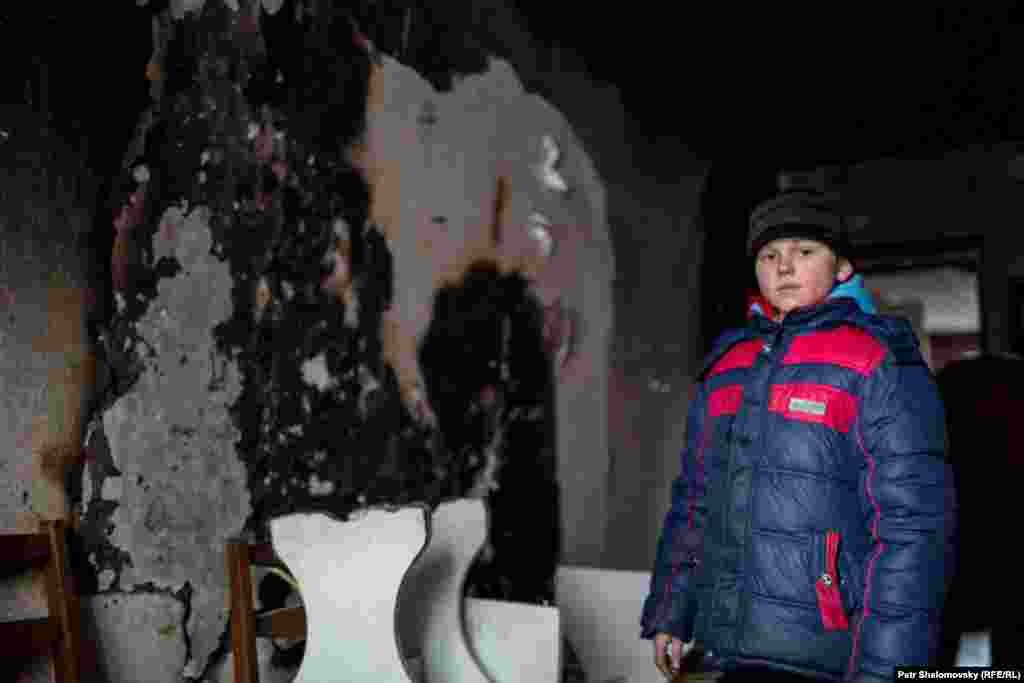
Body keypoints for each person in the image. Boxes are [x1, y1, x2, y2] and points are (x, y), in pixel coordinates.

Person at [640, 189, 956, 681]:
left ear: (843, 267)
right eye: (769, 256)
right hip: (728, 648)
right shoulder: (727, 368)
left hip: (832, 655)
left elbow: (912, 527)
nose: (784, 267)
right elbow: (696, 500)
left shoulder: (876, 360)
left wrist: (890, 669)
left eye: (804, 252)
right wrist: (671, 611)